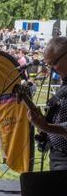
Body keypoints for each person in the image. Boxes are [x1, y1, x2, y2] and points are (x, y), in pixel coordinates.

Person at [27, 36, 67, 170]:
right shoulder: (64, 84)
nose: (52, 69)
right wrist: (43, 124)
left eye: (54, 63)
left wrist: (46, 127)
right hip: (56, 155)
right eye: (49, 65)